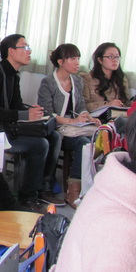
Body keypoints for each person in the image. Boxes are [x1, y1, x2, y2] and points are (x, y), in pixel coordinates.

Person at [0, 34, 64, 212]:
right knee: (40, 144)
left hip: (8, 126)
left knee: (54, 136)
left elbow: (16, 105)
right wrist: (24, 114)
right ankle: (27, 197)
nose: (29, 52)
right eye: (25, 47)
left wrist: (32, 112)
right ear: (11, 51)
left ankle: (43, 188)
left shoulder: (13, 75)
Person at [54, 112, 136, 270]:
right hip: (63, 128)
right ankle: (73, 187)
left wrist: (90, 118)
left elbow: (82, 109)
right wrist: (74, 119)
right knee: (76, 143)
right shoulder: (116, 231)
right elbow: (52, 114)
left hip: (82, 125)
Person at [37, 44, 101, 208]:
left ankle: (83, 188)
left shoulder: (77, 80)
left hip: (74, 129)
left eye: (78, 58)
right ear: (60, 62)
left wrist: (89, 118)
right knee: (81, 143)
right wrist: (72, 121)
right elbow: (46, 113)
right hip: (57, 130)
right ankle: (70, 190)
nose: (77, 62)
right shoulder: (48, 82)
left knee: (93, 139)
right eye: (73, 58)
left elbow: (80, 106)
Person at [80, 42, 130, 112]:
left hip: (118, 115)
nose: (115, 60)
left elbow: (127, 103)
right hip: (96, 117)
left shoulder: (122, 78)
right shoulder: (87, 79)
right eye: (110, 57)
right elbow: (83, 106)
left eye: (117, 57)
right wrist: (107, 104)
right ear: (100, 60)